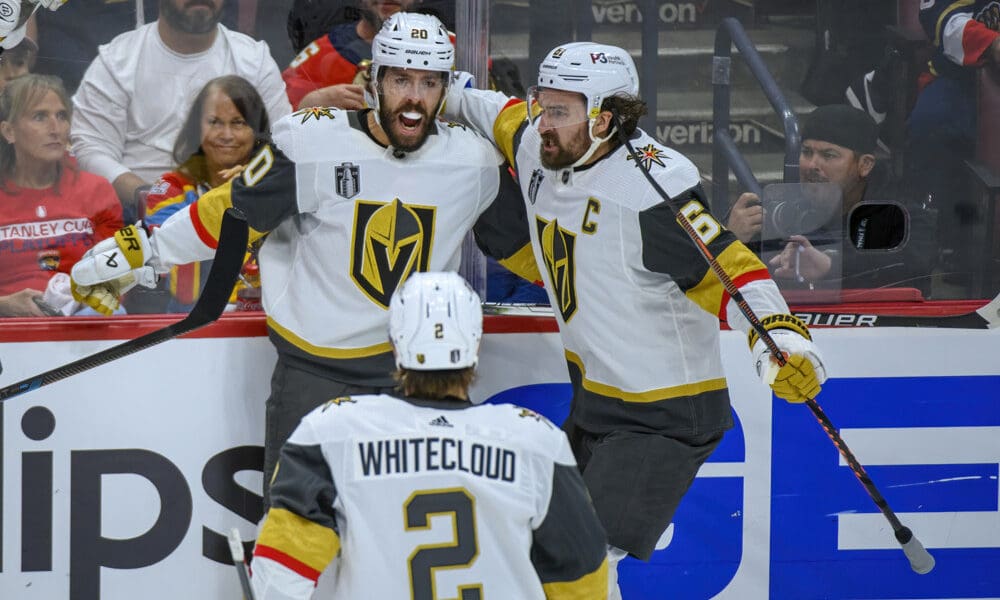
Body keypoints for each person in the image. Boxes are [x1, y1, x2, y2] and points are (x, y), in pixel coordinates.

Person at [69, 12, 536, 502]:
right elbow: (230, 211)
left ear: (445, 91)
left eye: (429, 82)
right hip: (314, 375)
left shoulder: (473, 162)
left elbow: (525, 252)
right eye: (401, 78)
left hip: (413, 376)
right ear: (374, 80)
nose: (415, 97)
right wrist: (143, 250)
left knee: (394, 533)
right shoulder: (312, 141)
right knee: (298, 529)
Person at [442, 42, 828, 598]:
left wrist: (778, 339)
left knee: (581, 559)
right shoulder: (539, 139)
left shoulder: (653, 190)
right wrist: (449, 93)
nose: (540, 123)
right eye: (540, 105)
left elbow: (729, 269)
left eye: (557, 112)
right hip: (599, 399)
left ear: (603, 120)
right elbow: (494, 113)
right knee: (545, 553)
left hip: (664, 413)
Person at [250, 271, 608, 599]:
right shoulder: (536, 442)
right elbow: (585, 584)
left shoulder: (332, 434)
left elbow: (280, 575)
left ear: (394, 344)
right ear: (476, 344)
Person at [69, 0, 292, 208]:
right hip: (141, 216)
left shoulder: (254, 60)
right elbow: (92, 149)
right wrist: (151, 197)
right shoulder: (116, 61)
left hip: (235, 211)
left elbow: (283, 146)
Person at [729, 104, 936, 293]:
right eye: (807, 152)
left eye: (828, 155)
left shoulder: (901, 213)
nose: (812, 165)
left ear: (864, 165)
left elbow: (915, 259)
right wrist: (726, 240)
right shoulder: (775, 209)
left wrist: (831, 264)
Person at [141, 75, 271, 313]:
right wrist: (233, 195)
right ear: (196, 128)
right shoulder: (172, 187)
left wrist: (257, 187)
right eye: (215, 122)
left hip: (270, 321)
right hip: (194, 326)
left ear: (257, 130)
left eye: (239, 122)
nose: (227, 135)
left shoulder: (276, 184)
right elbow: (176, 264)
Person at [0, 74, 122, 317]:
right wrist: (5, 305)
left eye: (62, 116)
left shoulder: (97, 190)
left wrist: (84, 300)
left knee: (105, 315)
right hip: (7, 328)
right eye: (40, 117)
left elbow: (119, 274)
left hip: (81, 320)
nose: (55, 129)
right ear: (9, 131)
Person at [904, 0, 999, 279]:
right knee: (932, 124)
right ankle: (943, 239)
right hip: (959, 81)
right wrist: (992, 43)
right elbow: (941, 20)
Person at [282, 0, 415, 110]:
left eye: (429, 82)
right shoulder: (323, 55)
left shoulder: (435, 56)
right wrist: (309, 104)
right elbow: (276, 117)